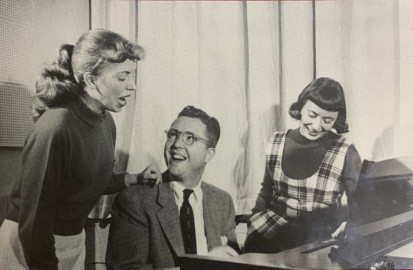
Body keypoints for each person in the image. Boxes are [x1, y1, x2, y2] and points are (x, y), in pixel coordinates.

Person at [0, 29, 161, 270]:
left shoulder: (106, 122)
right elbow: (35, 221)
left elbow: (88, 181)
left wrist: (133, 178)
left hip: (73, 242)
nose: (133, 86)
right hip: (29, 247)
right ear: (90, 79)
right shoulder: (56, 127)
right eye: (122, 77)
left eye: (133, 76)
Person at [106, 106, 239, 270]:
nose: (176, 144)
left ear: (209, 154)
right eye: (172, 135)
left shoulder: (222, 201)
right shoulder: (135, 200)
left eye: (190, 138)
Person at [245, 77, 361, 253]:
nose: (316, 126)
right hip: (273, 234)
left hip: (321, 236)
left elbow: (359, 204)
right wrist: (253, 222)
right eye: (312, 115)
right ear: (300, 108)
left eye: (327, 120)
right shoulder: (277, 141)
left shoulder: (346, 152)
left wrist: (350, 225)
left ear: (337, 119)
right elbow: (266, 191)